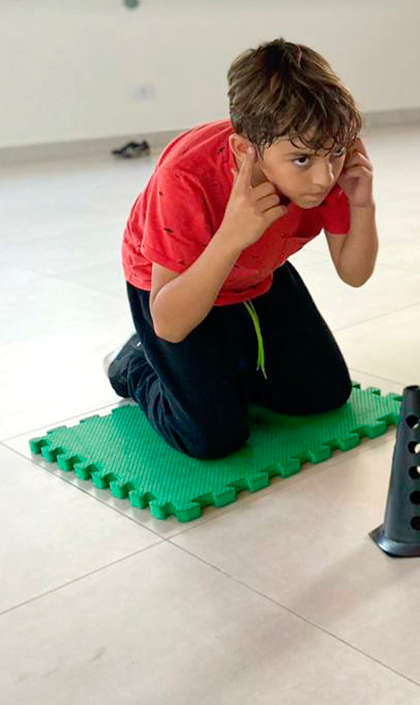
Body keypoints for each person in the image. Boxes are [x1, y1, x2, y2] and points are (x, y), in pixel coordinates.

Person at [105, 39, 377, 459]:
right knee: (212, 437)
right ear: (245, 150)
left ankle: (223, 364)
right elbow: (170, 323)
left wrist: (362, 203)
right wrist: (231, 236)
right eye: (301, 160)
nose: (324, 177)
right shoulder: (186, 175)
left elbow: (354, 273)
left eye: (337, 152)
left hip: (256, 272)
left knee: (325, 393)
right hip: (178, 285)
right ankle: (135, 363)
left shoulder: (327, 157)